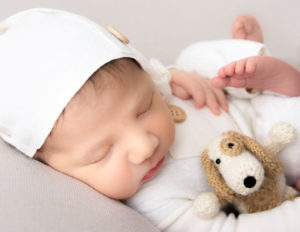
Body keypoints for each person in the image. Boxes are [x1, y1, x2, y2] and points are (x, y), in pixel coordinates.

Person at [0, 8, 299, 231]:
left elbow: (162, 75)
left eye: (144, 108)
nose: (144, 146)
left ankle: (250, 71)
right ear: (51, 166)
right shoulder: (156, 201)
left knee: (191, 59)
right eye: (102, 153)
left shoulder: (159, 84)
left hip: (244, 111)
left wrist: (177, 78)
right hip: (269, 154)